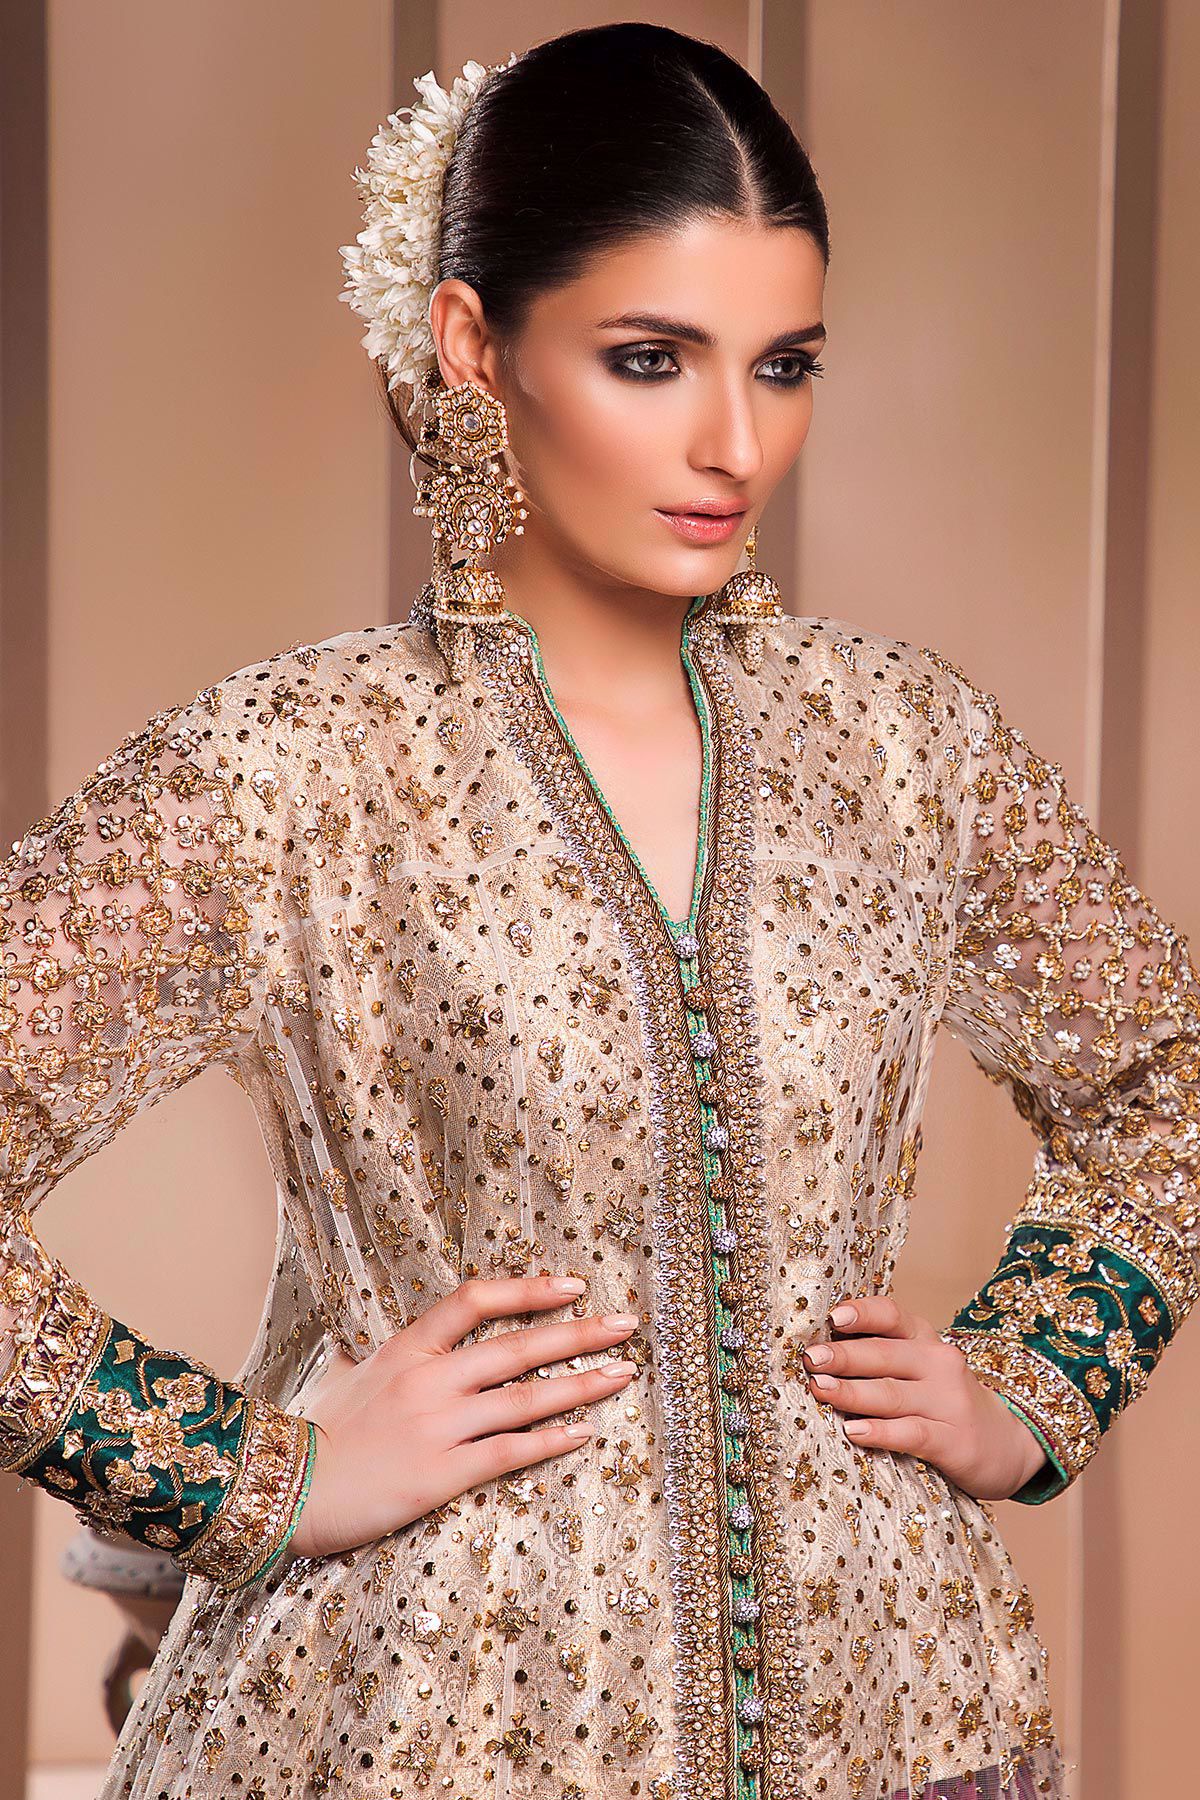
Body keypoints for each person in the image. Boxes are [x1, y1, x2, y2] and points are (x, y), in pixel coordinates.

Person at [2, 21, 1195, 1800]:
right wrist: (259, 1474)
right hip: (420, 1719)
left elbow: (1159, 1082)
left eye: (784, 365)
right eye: (650, 359)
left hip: (899, 1709)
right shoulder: (292, 768)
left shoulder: (906, 744)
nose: (735, 442)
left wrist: (1032, 1383)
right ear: (473, 343)